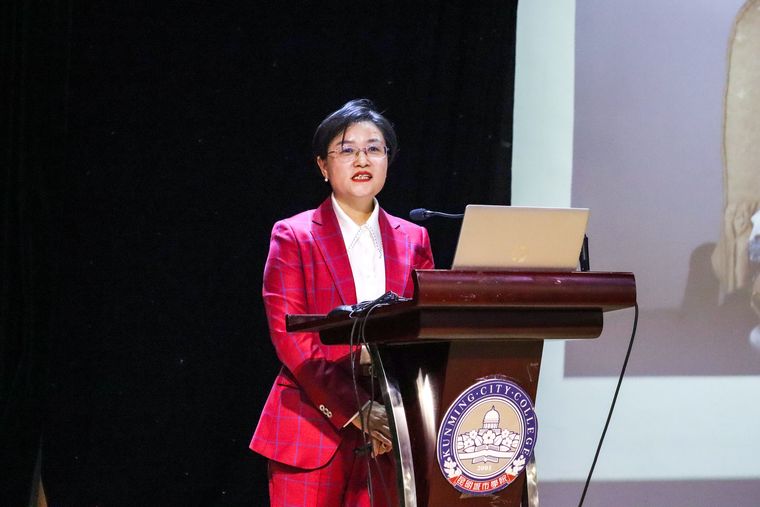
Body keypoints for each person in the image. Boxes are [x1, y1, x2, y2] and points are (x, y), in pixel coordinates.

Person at [249, 99, 435, 506]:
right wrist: (356, 409)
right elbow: (290, 337)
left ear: (388, 160)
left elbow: (425, 334)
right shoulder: (294, 235)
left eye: (374, 148)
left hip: (390, 428)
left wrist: (399, 414)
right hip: (312, 423)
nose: (362, 159)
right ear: (323, 165)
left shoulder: (414, 238)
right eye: (347, 150)